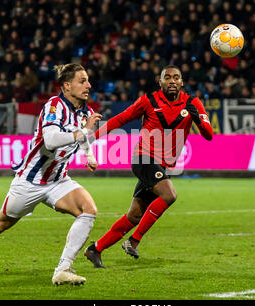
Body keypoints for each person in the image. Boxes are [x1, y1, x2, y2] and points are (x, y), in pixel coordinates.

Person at [0, 63, 103, 289]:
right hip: (30, 181)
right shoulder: (54, 106)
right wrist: (84, 131)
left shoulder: (85, 110)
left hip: (57, 180)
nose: (88, 85)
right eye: (82, 81)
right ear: (67, 85)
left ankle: (63, 270)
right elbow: (51, 140)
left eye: (87, 80)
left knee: (89, 210)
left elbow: (82, 137)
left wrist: (89, 154)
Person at [84, 65, 213, 268]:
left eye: (176, 77)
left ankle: (95, 249)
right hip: (143, 158)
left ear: (182, 82)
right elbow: (121, 118)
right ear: (159, 82)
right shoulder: (149, 100)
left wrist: (198, 118)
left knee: (135, 215)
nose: (172, 81)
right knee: (169, 195)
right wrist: (92, 137)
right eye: (167, 77)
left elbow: (209, 135)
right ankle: (133, 241)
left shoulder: (192, 103)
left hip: (162, 164)